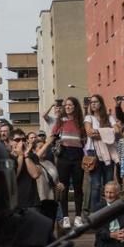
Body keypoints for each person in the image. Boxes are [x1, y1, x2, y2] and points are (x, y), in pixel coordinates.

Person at [44, 97, 86, 229]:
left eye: (70, 105)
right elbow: (52, 136)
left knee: (78, 187)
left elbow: (85, 140)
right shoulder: (60, 121)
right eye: (66, 105)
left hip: (78, 155)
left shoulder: (81, 122)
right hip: (63, 156)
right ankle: (66, 218)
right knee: (64, 187)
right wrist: (42, 149)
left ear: (75, 107)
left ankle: (78, 217)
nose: (67, 107)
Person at [84, 94, 118, 214]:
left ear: (101, 103)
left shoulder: (109, 117)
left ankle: (108, 212)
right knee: (96, 185)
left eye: (96, 102)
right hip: (93, 152)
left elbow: (117, 130)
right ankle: (95, 214)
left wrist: (98, 133)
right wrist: (107, 133)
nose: (93, 104)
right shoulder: (89, 118)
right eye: (91, 102)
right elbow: (89, 133)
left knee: (108, 183)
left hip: (109, 152)